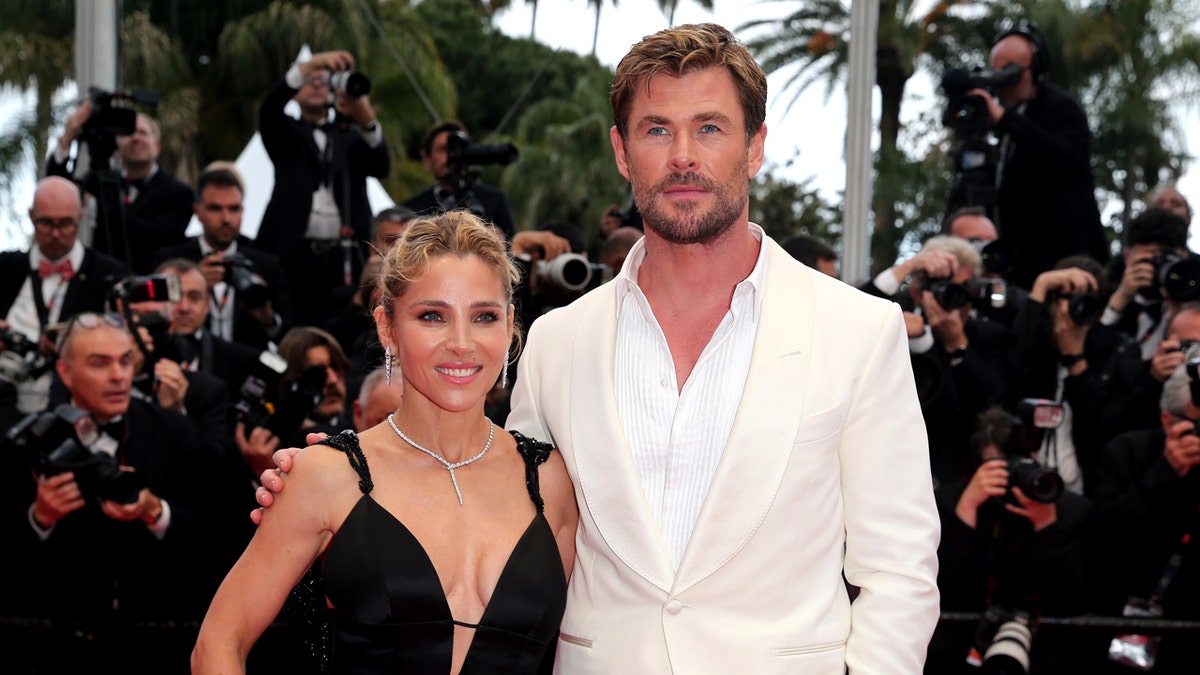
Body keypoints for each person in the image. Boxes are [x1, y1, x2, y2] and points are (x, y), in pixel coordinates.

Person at [256, 22, 940, 673]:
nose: (682, 157)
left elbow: (899, 569)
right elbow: (498, 513)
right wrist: (336, 490)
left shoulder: (857, 331)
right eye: (657, 130)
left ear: (755, 146)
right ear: (621, 150)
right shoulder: (559, 341)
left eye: (709, 128)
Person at [192, 212, 578, 674]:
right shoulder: (326, 475)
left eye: (484, 317)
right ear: (387, 328)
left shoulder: (550, 481)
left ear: (510, 325)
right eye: (432, 316)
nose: (461, 342)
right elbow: (218, 643)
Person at [1, 312, 209, 673]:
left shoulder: (175, 432)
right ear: (65, 373)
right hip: (56, 644)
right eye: (100, 364)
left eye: (125, 361)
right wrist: (40, 519)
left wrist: (157, 512)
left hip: (161, 639)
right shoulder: (28, 443)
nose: (118, 376)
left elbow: (218, 530)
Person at [968, 22, 1109, 290]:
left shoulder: (1059, 106)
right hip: (1020, 264)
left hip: (1066, 259)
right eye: (998, 73)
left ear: (1036, 71)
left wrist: (1005, 119)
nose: (1005, 82)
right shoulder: (1006, 123)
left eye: (1012, 72)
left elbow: (1067, 156)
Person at [255, 49, 390, 327]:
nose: (316, 83)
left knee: (344, 323)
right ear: (295, 89)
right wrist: (311, 65)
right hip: (292, 253)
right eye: (309, 79)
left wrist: (366, 118)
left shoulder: (350, 135)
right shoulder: (286, 131)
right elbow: (269, 108)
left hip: (344, 254)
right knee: (292, 324)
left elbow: (381, 166)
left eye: (323, 79)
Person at [0, 176, 128, 413]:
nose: (56, 233)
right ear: (30, 216)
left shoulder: (109, 275)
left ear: (81, 216)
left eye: (66, 224)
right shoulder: (5, 268)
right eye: (46, 223)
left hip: (76, 410)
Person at [152, 166, 294, 351]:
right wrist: (194, 282)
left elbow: (291, 336)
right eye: (215, 209)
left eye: (233, 209)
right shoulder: (169, 260)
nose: (226, 218)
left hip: (247, 368)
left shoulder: (266, 265)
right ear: (198, 212)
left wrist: (268, 318)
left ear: (243, 211)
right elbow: (154, 320)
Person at [47, 107, 194, 274]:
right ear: (116, 148)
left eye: (143, 133)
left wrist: (101, 207)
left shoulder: (179, 193)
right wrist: (67, 139)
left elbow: (155, 239)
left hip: (149, 287)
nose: (136, 138)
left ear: (157, 146)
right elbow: (56, 194)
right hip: (101, 283)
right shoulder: (101, 181)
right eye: (129, 133)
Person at [401, 121, 517, 239]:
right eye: (443, 149)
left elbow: (514, 251)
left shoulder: (496, 201)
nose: (452, 155)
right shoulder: (410, 209)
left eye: (458, 149)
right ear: (427, 159)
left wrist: (499, 241)